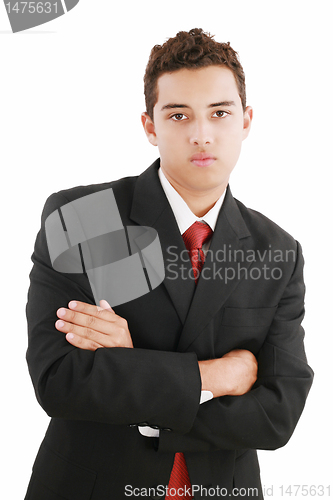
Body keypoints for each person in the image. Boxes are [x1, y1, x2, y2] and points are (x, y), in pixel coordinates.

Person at [24, 28, 314, 500]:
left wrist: (133, 367)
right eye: (178, 115)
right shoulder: (83, 218)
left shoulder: (276, 250)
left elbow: (277, 414)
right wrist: (216, 377)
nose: (202, 134)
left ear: (246, 121)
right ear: (150, 126)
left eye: (220, 113)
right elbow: (59, 379)